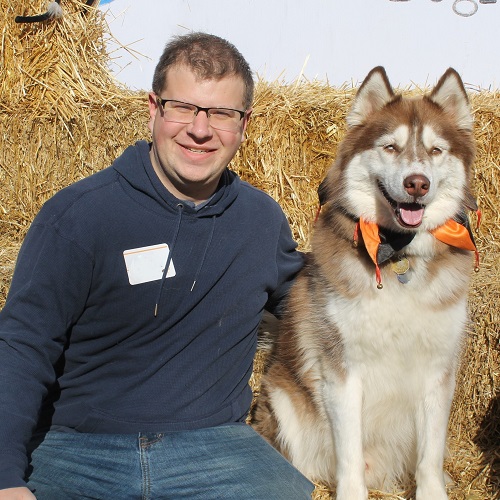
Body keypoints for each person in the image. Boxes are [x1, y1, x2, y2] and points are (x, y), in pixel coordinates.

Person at [0, 33, 314, 499]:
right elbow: (23, 346)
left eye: (221, 113)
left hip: (215, 449)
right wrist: (5, 478)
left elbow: (323, 303)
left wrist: (391, 245)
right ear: (153, 109)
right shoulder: (80, 215)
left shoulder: (260, 221)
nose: (200, 130)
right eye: (183, 107)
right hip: (80, 450)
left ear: (244, 124)